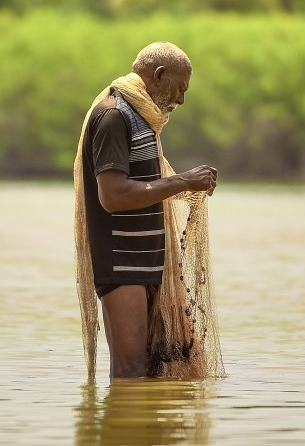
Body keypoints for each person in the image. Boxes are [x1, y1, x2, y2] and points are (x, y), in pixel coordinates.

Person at [73, 41, 219, 379]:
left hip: (147, 265)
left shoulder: (143, 119)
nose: (181, 100)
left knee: (150, 370)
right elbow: (113, 195)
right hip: (122, 266)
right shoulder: (113, 116)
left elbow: (147, 185)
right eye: (180, 88)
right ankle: (126, 427)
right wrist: (183, 182)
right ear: (158, 75)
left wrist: (185, 186)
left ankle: (139, 430)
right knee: (130, 371)